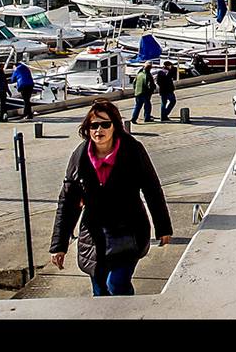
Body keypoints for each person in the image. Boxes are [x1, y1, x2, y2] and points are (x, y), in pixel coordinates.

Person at [48, 100, 172, 297]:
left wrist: (163, 227)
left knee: (117, 284)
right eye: (94, 125)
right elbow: (68, 202)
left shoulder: (132, 150)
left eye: (105, 124)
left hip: (129, 230)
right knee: (100, 290)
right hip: (94, 234)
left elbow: (152, 189)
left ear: (115, 126)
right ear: (87, 129)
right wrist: (59, 245)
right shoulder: (79, 157)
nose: (99, 130)